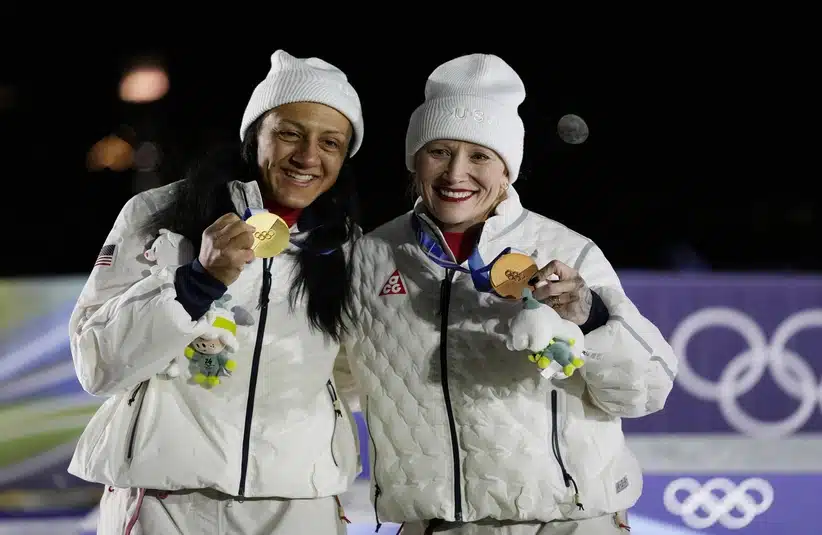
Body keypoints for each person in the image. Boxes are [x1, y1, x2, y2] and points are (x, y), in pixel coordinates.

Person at [336, 53, 679, 534]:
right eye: (439, 151)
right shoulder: (367, 260)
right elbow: (332, 389)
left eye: (480, 156)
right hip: (440, 524)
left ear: (507, 170)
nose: (456, 174)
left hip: (566, 521)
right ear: (415, 160)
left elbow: (647, 391)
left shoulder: (567, 251)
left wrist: (593, 318)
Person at [68, 49, 365, 535]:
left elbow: (350, 377)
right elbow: (96, 364)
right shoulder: (159, 215)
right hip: (166, 496)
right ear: (255, 136)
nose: (308, 156)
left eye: (330, 142)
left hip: (296, 502)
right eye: (289, 132)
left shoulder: (349, 250)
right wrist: (195, 284)